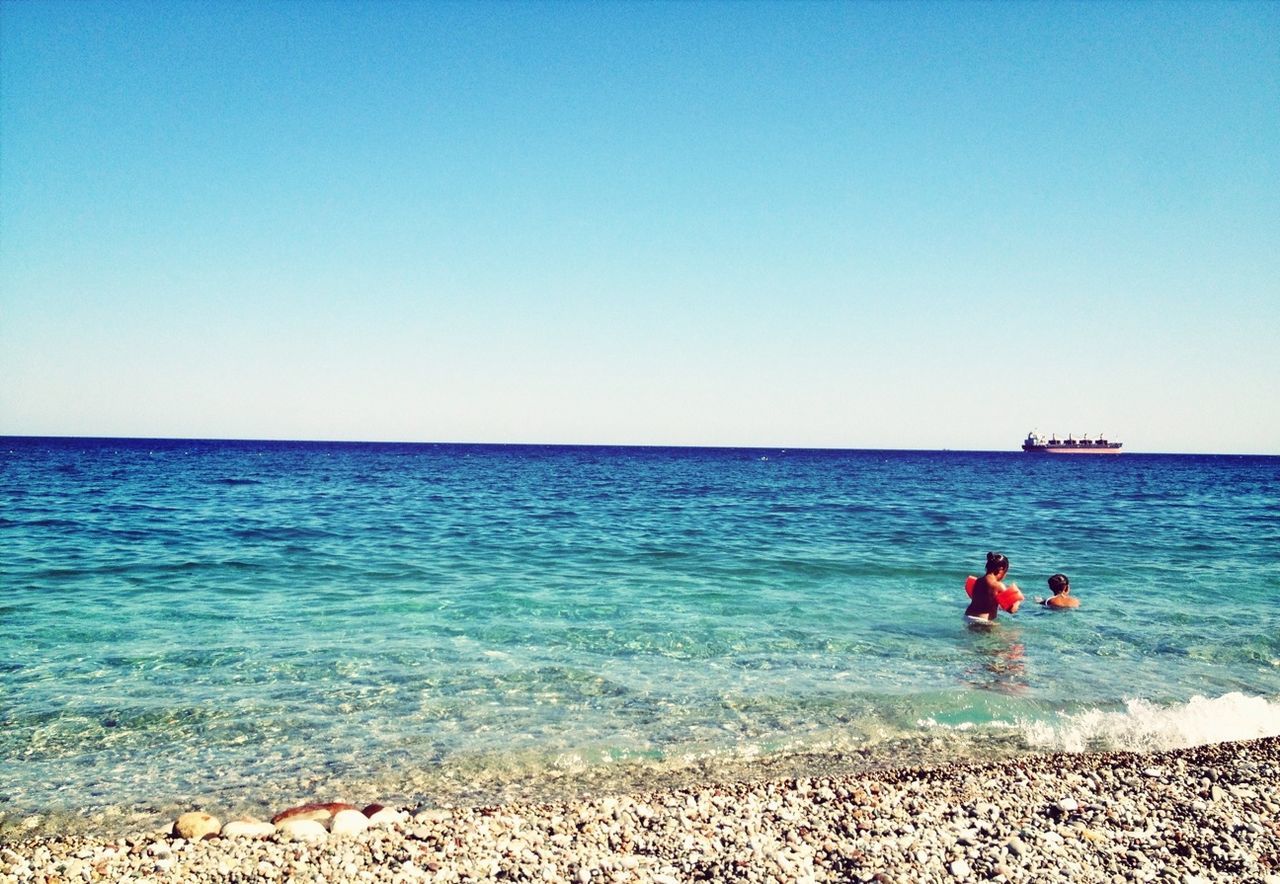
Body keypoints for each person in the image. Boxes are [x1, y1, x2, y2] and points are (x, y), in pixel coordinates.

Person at [965, 551, 1022, 622]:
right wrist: (1018, 599)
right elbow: (1011, 610)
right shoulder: (998, 585)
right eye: (1006, 572)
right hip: (982, 621)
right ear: (1001, 569)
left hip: (967, 616)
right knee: (1014, 633)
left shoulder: (978, 581)